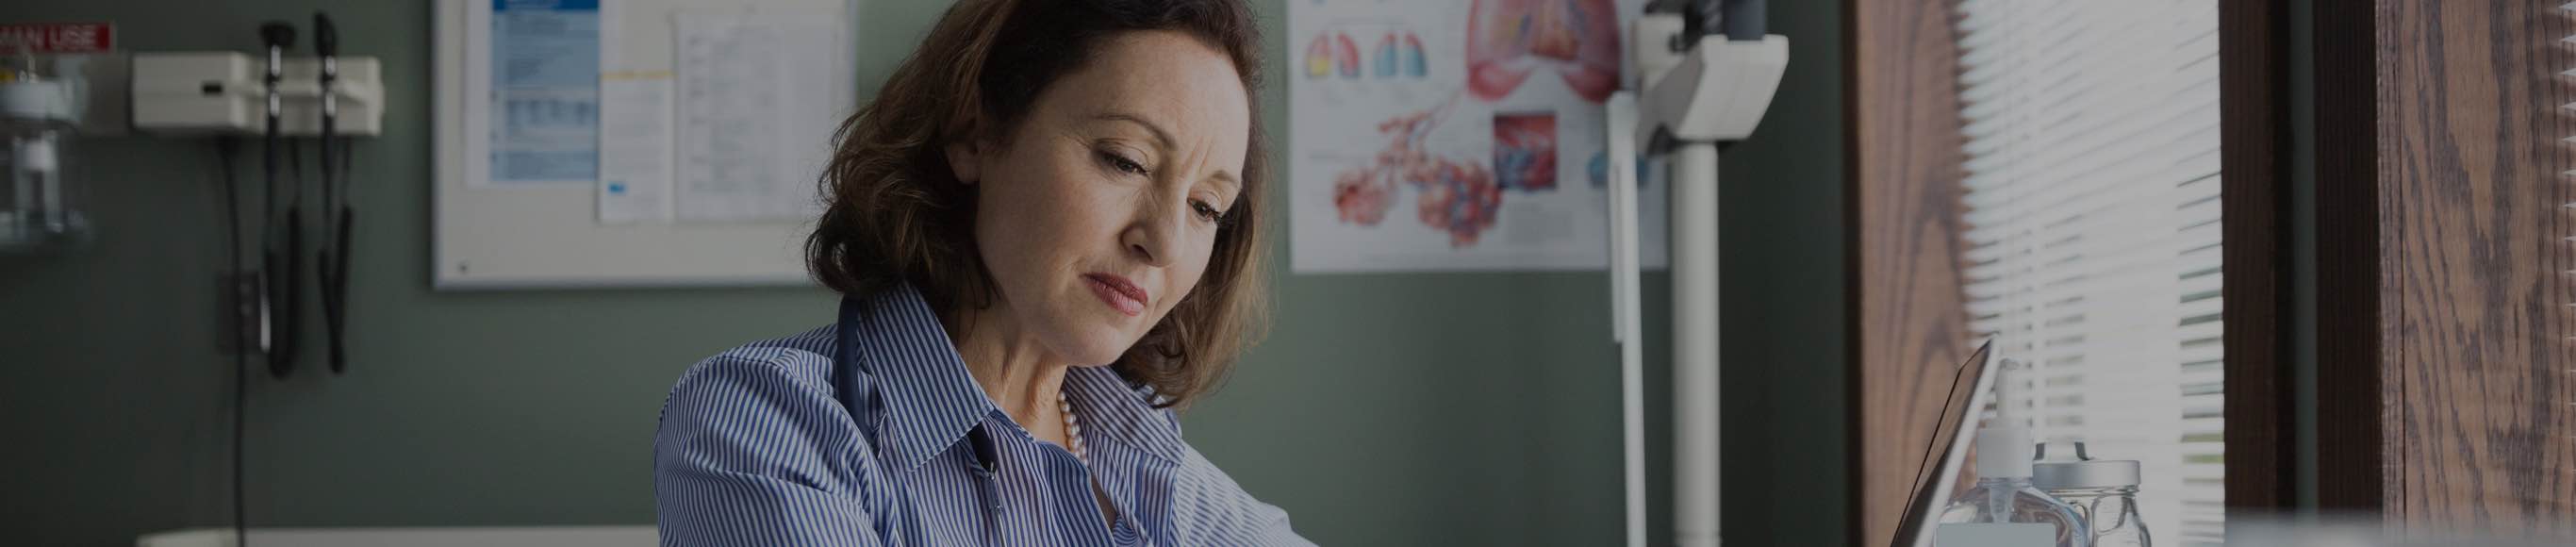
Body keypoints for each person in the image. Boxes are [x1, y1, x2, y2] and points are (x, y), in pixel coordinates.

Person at [651, 0, 1306, 544]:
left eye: (1205, 206)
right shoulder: (765, 423)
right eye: (1125, 160)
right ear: (974, 135)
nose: (1162, 242)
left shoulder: (1148, 463)